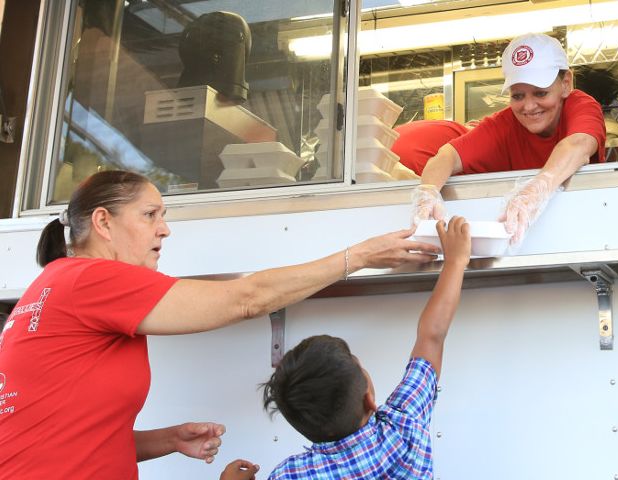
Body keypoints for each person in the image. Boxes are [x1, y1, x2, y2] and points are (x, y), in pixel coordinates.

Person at [0, 170, 440, 480]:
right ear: (103, 222)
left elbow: (64, 434)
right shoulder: (91, 279)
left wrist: (167, 439)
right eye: (150, 215)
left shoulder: (56, 286)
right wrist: (357, 257)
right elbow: (245, 299)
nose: (165, 229)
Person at [262, 216, 471, 479]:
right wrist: (456, 262)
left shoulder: (290, 474)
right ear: (369, 399)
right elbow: (432, 337)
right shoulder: (403, 426)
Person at [411, 32, 607, 244]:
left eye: (540, 93)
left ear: (566, 83)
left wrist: (535, 190)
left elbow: (578, 144)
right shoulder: (503, 124)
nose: (529, 106)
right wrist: (428, 193)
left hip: (586, 228)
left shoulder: (580, 105)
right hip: (523, 239)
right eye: (518, 96)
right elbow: (446, 156)